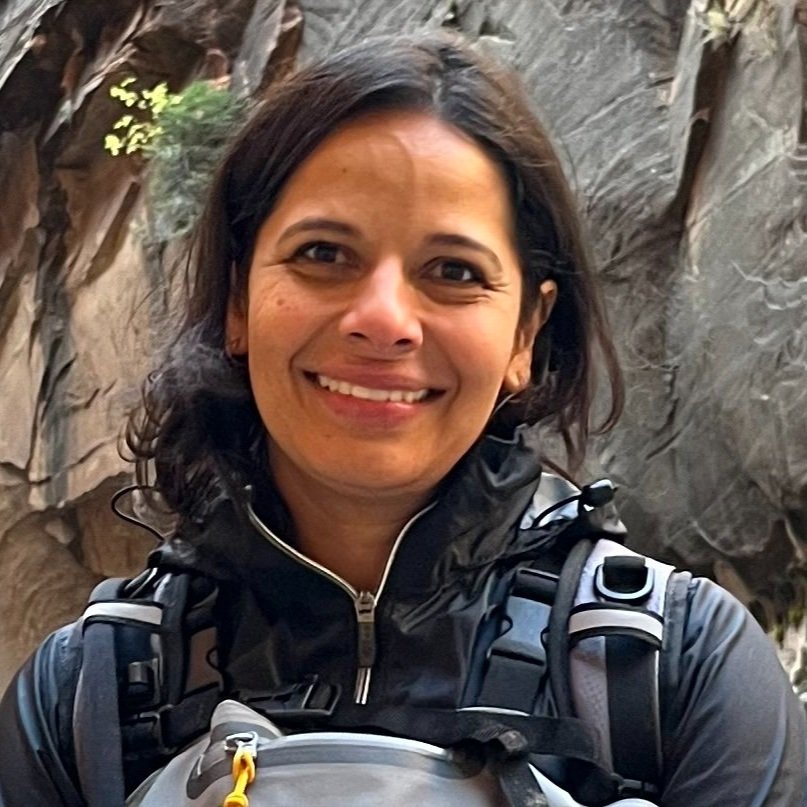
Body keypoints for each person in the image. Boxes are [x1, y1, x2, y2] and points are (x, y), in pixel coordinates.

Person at [0, 32, 804, 807]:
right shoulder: (89, 696)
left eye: (451, 271)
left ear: (525, 332)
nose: (383, 319)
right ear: (239, 300)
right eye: (323, 253)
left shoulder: (674, 671)